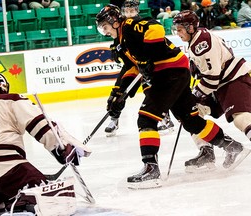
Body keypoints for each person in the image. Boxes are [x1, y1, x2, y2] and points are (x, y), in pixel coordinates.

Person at [96, 4, 247, 189]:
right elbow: (131, 68)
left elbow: (155, 28)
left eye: (104, 25)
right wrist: (117, 95)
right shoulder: (121, 44)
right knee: (190, 120)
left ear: (114, 21)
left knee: (146, 118)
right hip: (175, 72)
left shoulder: (128, 25)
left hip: (169, 72)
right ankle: (232, 147)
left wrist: (147, 58)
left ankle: (151, 169)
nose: (103, 30)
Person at [0, 72, 91, 215]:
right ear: (6, 87)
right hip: (6, 168)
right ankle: (22, 205)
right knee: (47, 193)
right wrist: (59, 148)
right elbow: (39, 124)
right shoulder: (12, 99)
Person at [173, 10, 251, 171]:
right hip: (219, 84)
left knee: (240, 119)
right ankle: (207, 151)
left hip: (232, 79)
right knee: (190, 114)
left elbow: (212, 79)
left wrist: (194, 94)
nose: (178, 33)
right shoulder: (196, 38)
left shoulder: (202, 42)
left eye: (180, 29)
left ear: (190, 27)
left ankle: (234, 147)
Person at [105, 0, 175, 137]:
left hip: (147, 64)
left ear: (137, 11)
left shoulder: (136, 25)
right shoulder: (122, 28)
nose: (130, 14)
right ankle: (114, 119)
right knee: (117, 93)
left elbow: (153, 37)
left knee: (152, 92)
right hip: (133, 65)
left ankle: (165, 118)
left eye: (132, 11)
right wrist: (116, 49)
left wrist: (146, 61)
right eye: (127, 11)